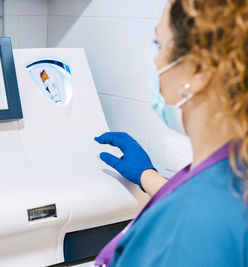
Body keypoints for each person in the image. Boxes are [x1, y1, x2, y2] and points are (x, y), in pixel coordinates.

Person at [93, 0, 248, 266]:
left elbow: (198, 221)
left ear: (198, 70)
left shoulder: (187, 229)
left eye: (160, 46)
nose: (156, 61)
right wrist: (147, 176)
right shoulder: (234, 167)